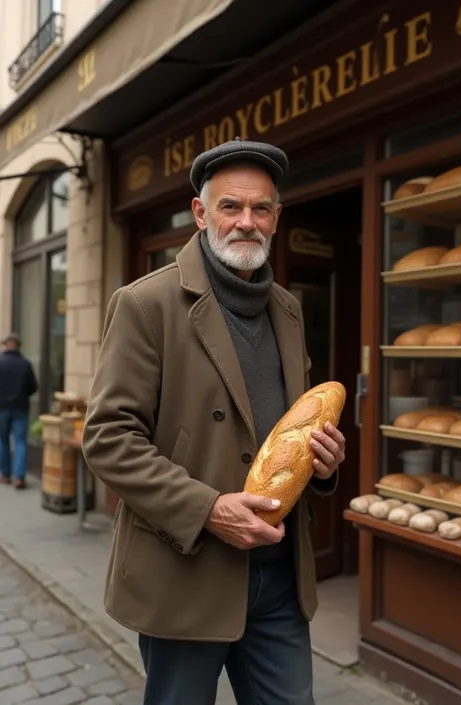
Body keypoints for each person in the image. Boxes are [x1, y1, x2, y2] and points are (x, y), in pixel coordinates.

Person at [82, 138, 346, 705]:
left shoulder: (288, 308)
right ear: (201, 214)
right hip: (187, 570)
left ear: (277, 218)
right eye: (230, 207)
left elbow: (285, 430)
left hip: (278, 574)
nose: (245, 222)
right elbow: (107, 439)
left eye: (260, 209)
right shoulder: (145, 304)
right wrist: (208, 510)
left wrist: (322, 464)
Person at [0, 333, 38, 489]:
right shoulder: (25, 364)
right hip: (21, 407)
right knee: (20, 441)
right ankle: (19, 477)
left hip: (1, 408)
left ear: (6, 345)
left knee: (2, 441)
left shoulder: (0, 364)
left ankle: (5, 474)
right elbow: (33, 387)